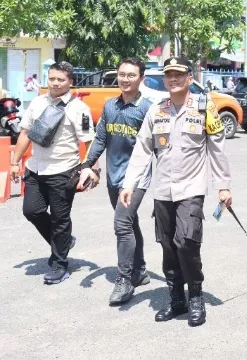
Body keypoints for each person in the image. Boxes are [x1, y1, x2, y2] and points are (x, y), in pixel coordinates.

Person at [119, 57, 232, 327]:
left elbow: (217, 150)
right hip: (163, 191)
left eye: (178, 75)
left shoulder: (205, 109)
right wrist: (129, 183)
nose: (173, 79)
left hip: (191, 189)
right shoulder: (157, 110)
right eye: (169, 75)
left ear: (189, 79)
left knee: (187, 243)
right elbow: (142, 150)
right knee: (168, 246)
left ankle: (195, 296)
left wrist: (223, 185)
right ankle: (176, 298)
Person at [10, 61, 95, 284]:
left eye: (61, 79)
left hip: (63, 170)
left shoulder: (78, 109)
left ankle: (59, 264)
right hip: (36, 168)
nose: (55, 83)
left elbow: (88, 141)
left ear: (70, 82)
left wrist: (89, 169)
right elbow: (25, 133)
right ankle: (64, 242)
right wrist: (14, 162)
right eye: (52, 78)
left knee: (60, 219)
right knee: (32, 211)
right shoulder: (38, 102)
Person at [78, 58, 154, 305]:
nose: (125, 79)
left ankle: (124, 280)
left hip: (138, 179)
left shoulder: (148, 109)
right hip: (114, 177)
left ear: (141, 78)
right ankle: (139, 270)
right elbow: (100, 139)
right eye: (122, 74)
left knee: (121, 224)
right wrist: (88, 165)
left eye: (131, 75)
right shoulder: (110, 106)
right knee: (130, 223)